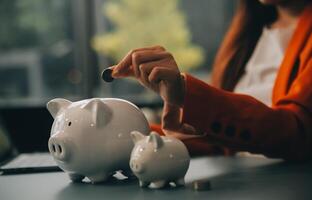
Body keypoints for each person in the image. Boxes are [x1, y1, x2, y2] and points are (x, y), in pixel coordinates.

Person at [110, 0, 312, 161]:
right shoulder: (248, 33)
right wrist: (126, 132)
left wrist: (186, 93)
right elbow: (221, 142)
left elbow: (298, 132)